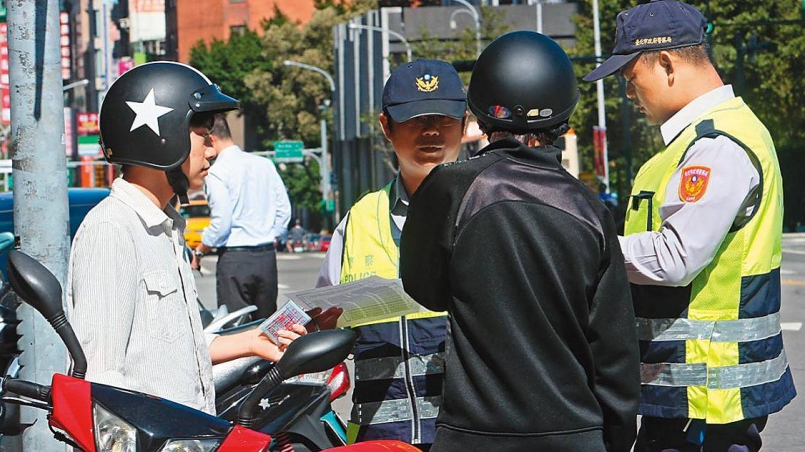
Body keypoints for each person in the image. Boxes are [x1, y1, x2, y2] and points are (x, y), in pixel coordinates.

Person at [400, 32, 640, 452]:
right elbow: (614, 351)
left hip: (474, 435)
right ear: (563, 115)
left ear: (480, 110)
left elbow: (426, 291)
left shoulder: (450, 189)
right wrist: (615, 438)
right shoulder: (589, 209)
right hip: (574, 433)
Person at [584, 1, 795, 450]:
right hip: (691, 397)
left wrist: (582, 247)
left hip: (703, 401)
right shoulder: (700, 139)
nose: (629, 95)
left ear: (666, 63)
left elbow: (674, 259)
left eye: (630, 79)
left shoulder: (716, 145)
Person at [66, 62, 306, 414]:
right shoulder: (112, 229)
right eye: (202, 136)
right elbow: (100, 380)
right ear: (160, 137)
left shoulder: (165, 229)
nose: (211, 150)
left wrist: (256, 340)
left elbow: (175, 349)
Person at [316, 59, 467, 448]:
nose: (431, 131)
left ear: (465, 124)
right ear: (387, 127)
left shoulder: (494, 210)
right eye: (416, 120)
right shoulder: (358, 221)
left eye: (443, 119)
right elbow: (321, 323)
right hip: (379, 439)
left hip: (471, 435)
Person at [191, 113, 291, 320]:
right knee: (266, 328)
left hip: (235, 259)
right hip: (265, 257)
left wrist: (200, 251)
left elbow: (222, 223)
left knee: (236, 328)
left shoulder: (218, 172)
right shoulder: (264, 164)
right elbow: (284, 211)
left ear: (212, 138)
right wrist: (273, 237)